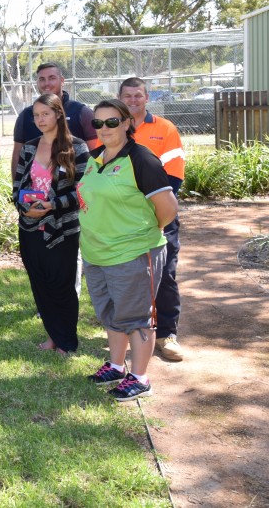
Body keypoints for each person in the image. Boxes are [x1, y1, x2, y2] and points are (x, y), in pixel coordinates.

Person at [78, 99, 177, 402]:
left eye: (111, 122)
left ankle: (140, 377)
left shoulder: (141, 159)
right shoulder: (95, 158)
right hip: (97, 252)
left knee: (135, 317)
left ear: (125, 123)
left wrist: (144, 232)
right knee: (110, 313)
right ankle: (117, 365)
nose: (104, 128)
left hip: (133, 254)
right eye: (98, 123)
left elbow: (168, 209)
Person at [12, 94, 89, 354]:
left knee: (62, 285)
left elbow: (82, 192)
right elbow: (18, 184)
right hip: (30, 226)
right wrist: (25, 208)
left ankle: (66, 341)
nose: (40, 119)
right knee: (40, 284)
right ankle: (52, 336)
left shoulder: (76, 147)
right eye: (36, 115)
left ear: (58, 113)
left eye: (45, 113)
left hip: (62, 228)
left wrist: (51, 206)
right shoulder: (30, 147)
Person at [119, 77, 186, 362]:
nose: (133, 101)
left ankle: (166, 334)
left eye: (138, 95)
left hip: (159, 215)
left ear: (147, 98)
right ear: (119, 98)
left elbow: (174, 178)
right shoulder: (111, 127)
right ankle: (127, 332)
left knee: (164, 273)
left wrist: (149, 210)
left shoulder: (165, 129)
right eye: (127, 96)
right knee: (125, 275)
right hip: (120, 219)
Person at [11, 62, 99, 181]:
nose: (46, 83)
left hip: (72, 191)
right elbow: (17, 156)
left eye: (52, 78)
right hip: (34, 195)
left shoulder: (81, 112)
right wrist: (17, 190)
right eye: (42, 79)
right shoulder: (25, 116)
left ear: (62, 80)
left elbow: (96, 155)